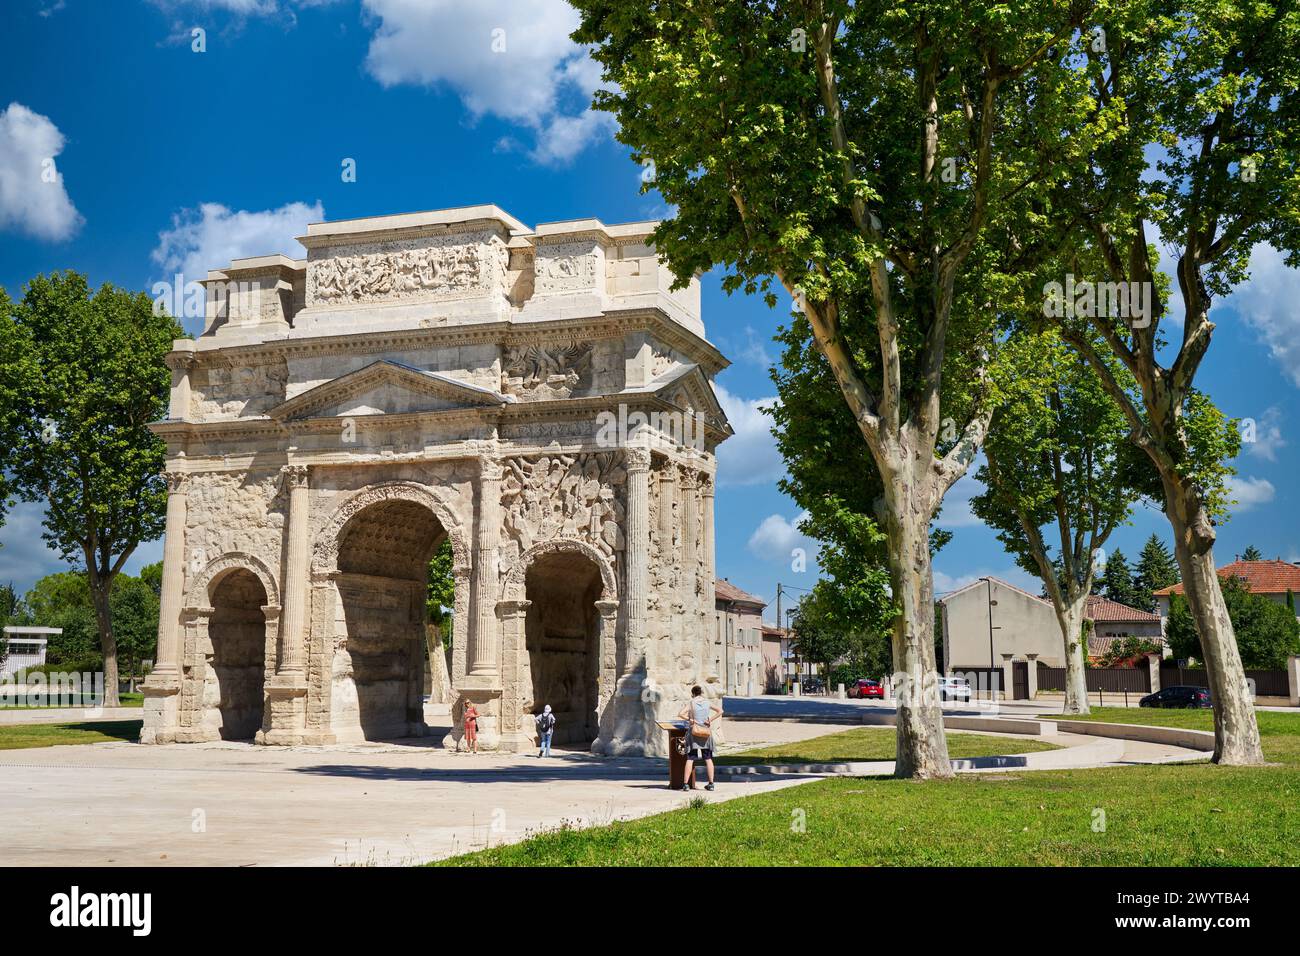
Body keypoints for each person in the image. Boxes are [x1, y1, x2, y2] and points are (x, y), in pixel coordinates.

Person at [678, 685, 722, 791]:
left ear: (692, 693)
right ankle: (711, 783)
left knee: (690, 758)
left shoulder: (691, 703)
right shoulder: (707, 702)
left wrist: (690, 719)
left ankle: (686, 784)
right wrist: (710, 720)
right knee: (708, 758)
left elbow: (680, 714)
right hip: (705, 732)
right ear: (701, 692)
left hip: (694, 731)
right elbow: (720, 711)